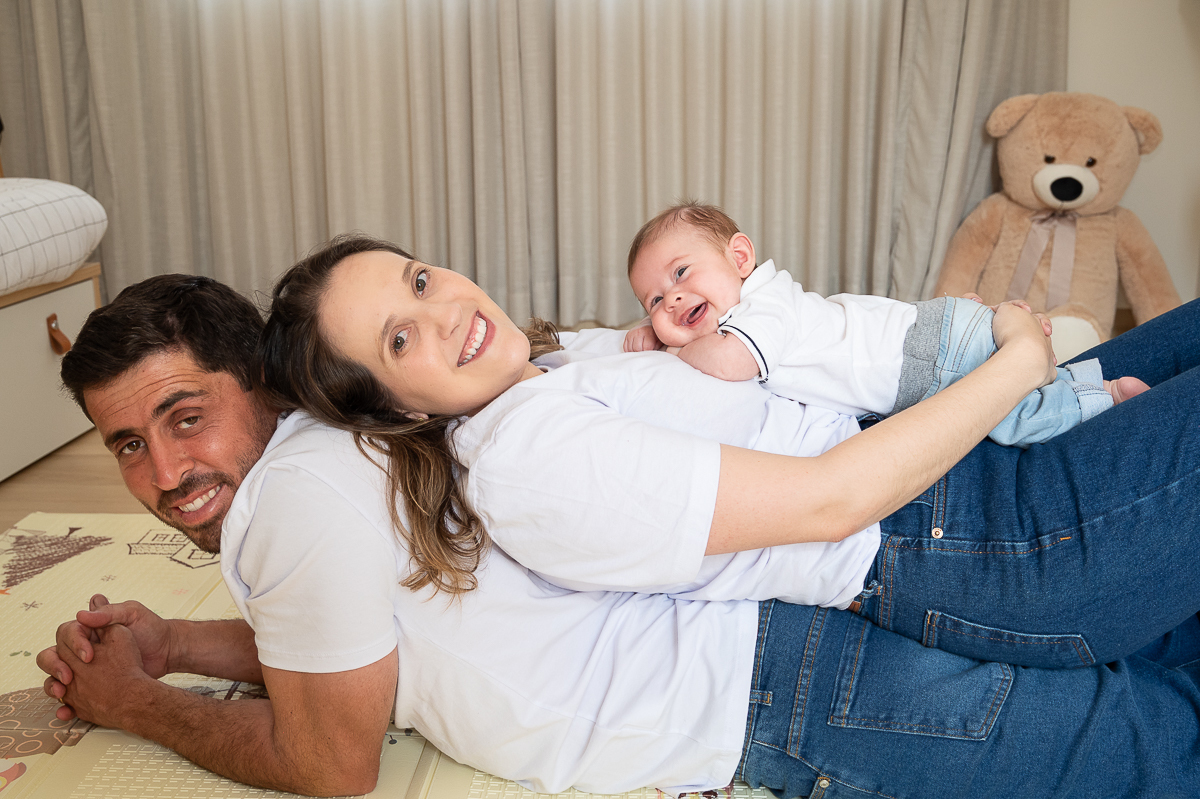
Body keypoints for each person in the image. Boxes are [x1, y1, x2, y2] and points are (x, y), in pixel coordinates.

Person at [36, 270, 1200, 798]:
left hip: (788, 653)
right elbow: (357, 666)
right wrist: (182, 646)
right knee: (1150, 709)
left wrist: (135, 697)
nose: (168, 474)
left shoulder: (298, 495)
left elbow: (324, 758)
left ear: (271, 385)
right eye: (128, 444)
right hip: (800, 635)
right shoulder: (347, 463)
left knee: (1157, 721)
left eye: (185, 419)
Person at [261, 234, 1200, 670]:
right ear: (389, 409)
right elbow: (833, 502)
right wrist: (1022, 360)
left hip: (967, 464)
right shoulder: (526, 461)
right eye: (397, 339)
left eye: (419, 279)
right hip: (985, 541)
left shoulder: (550, 369)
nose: (445, 311)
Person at [623, 201, 1148, 444]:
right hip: (934, 331)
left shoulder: (760, 310)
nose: (673, 299)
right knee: (1008, 392)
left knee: (1007, 418)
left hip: (923, 360)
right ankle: (1086, 379)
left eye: (682, 272)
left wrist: (668, 348)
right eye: (654, 301)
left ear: (740, 258)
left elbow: (732, 362)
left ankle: (1099, 402)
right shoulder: (760, 303)